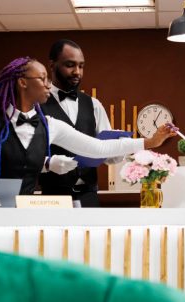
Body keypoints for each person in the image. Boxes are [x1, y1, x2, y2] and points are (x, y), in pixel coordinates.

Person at [0, 56, 175, 190]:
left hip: (25, 219)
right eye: (42, 78)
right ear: (22, 83)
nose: (48, 84)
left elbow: (99, 148)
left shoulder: (50, 126)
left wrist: (148, 142)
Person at [39, 39, 114, 207]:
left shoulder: (94, 105)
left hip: (89, 196)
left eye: (81, 66)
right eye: (70, 65)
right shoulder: (37, 105)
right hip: (52, 199)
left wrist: (119, 147)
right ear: (52, 65)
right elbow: (26, 155)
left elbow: (108, 155)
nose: (77, 72)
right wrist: (48, 163)